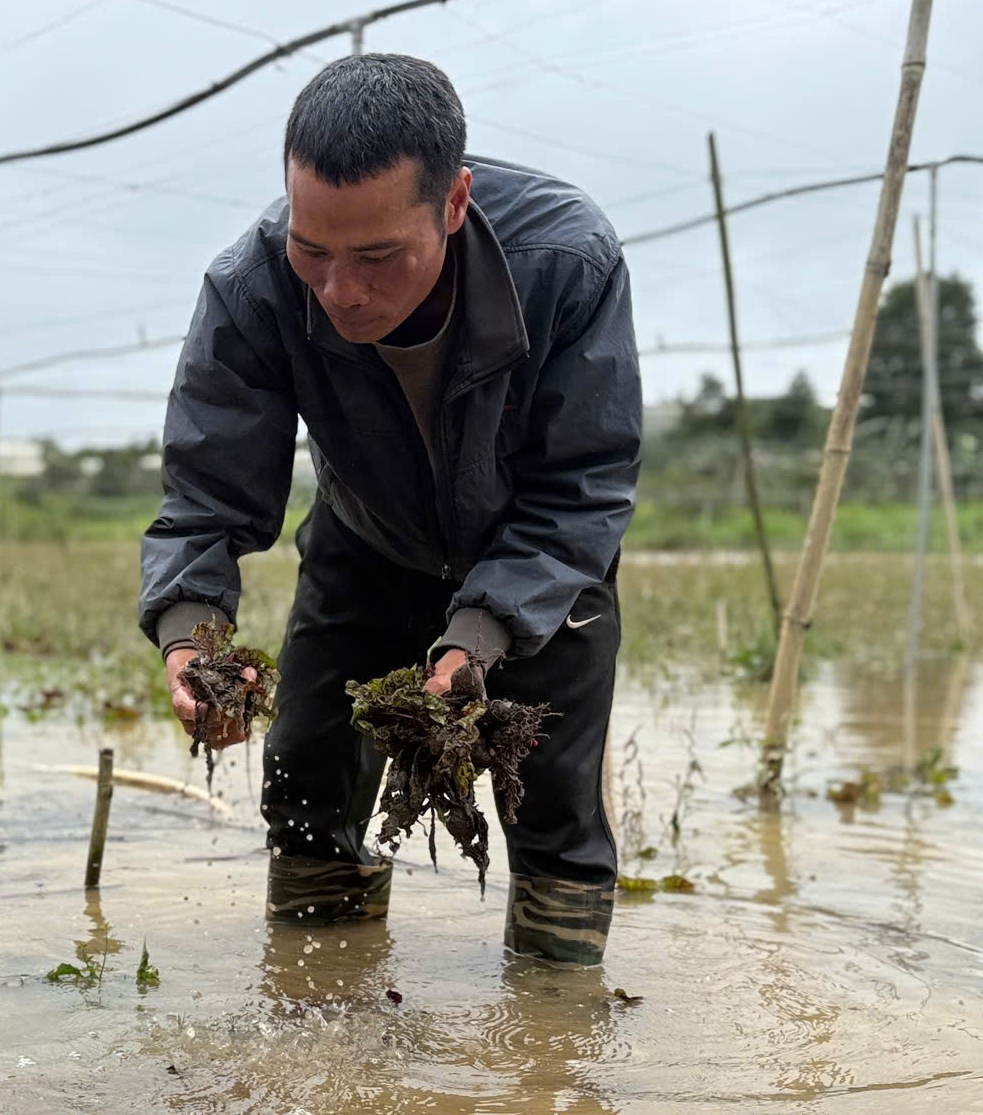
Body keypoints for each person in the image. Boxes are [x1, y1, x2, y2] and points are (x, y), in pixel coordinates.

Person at [138, 53, 642, 967]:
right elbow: (206, 494)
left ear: (453, 203)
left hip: (540, 567)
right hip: (364, 545)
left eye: (376, 256)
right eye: (312, 251)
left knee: (553, 810)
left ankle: (551, 1045)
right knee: (306, 784)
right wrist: (191, 636)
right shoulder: (251, 288)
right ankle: (320, 1004)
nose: (339, 292)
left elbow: (584, 481)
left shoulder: (566, 261)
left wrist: (481, 633)